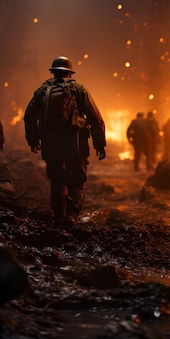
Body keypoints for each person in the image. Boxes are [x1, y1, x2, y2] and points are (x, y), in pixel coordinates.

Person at [24, 56, 107, 230]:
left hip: (50, 143)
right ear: (70, 73)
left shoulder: (42, 90)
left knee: (57, 181)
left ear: (53, 72)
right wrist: (100, 143)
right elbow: (95, 117)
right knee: (77, 182)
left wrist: (33, 140)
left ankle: (57, 218)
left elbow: (29, 116)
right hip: (75, 143)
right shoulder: (78, 88)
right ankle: (71, 215)